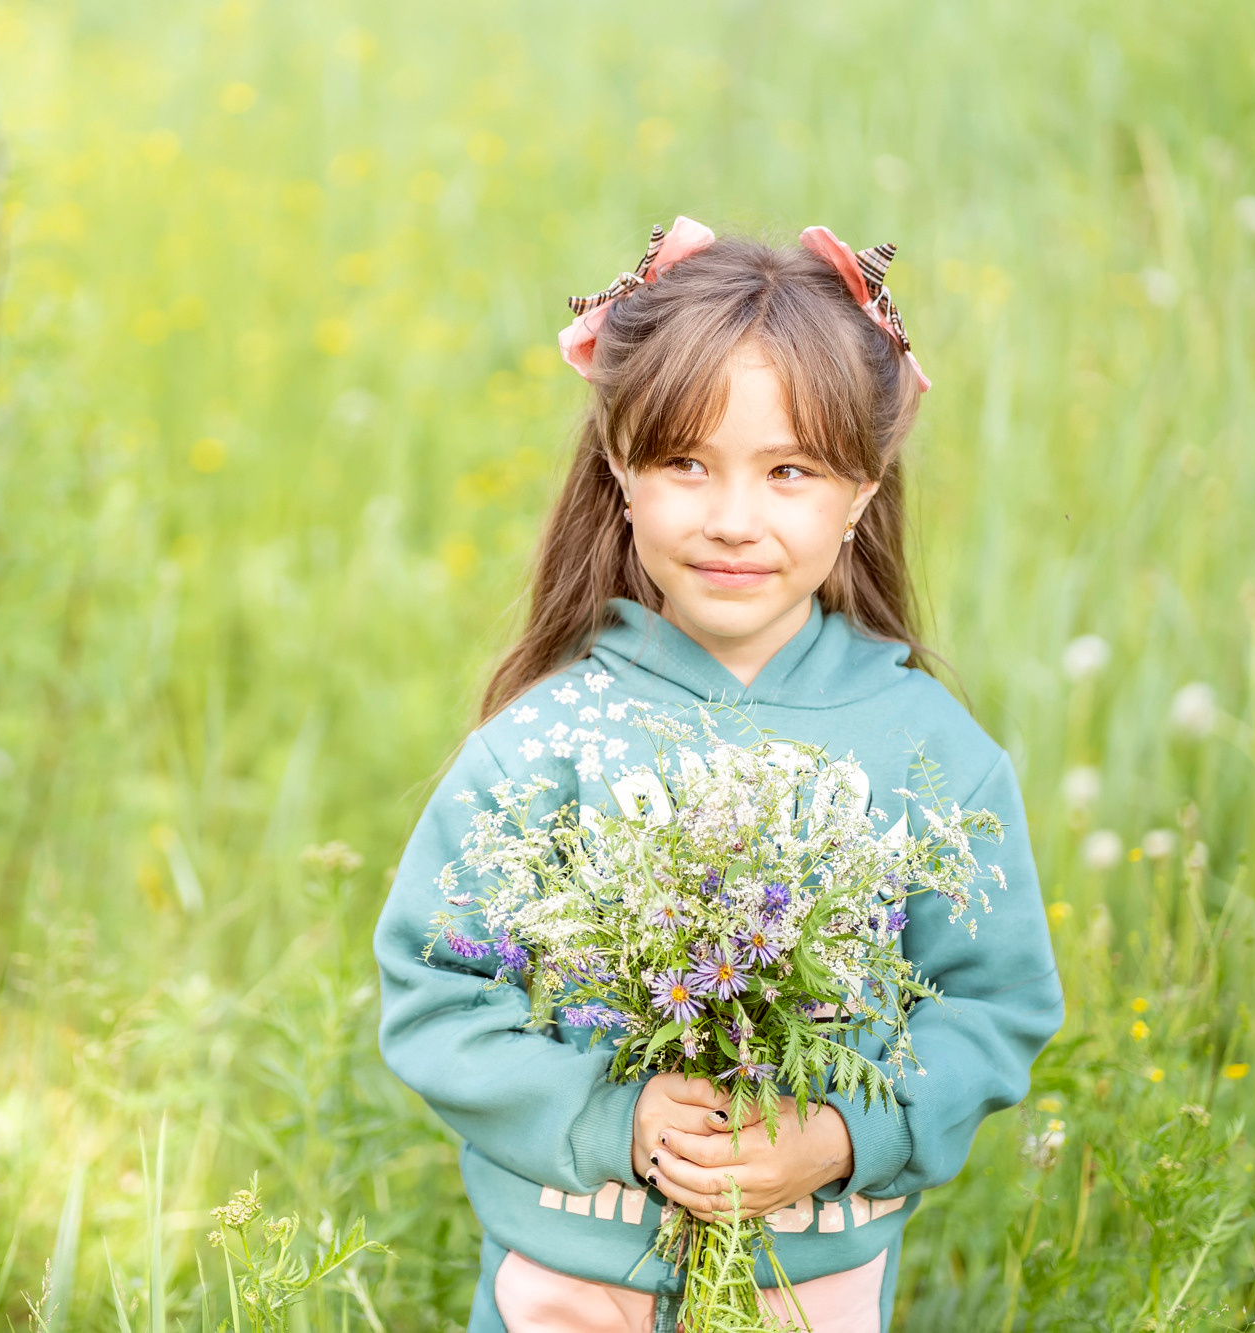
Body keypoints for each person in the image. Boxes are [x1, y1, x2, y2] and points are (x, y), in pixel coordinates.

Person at [372, 216, 1063, 1332]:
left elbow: (990, 1005)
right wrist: (619, 1119)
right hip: (571, 1282)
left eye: (789, 471)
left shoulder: (929, 754)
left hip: (809, 1286)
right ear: (620, 470)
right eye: (686, 464)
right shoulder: (546, 742)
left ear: (861, 487)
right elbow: (440, 995)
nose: (733, 520)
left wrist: (841, 1136)